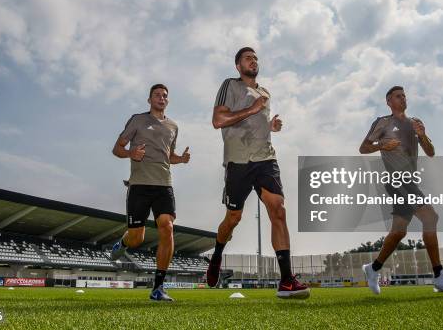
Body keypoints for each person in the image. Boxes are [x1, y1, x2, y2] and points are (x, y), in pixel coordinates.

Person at [205, 47, 310, 299]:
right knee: (233, 219)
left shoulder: (265, 92)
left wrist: (269, 126)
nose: (253, 61)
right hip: (238, 161)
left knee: (279, 210)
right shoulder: (229, 85)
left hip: (265, 158)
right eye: (247, 58)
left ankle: (286, 280)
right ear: (238, 65)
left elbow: (257, 125)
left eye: (255, 58)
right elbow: (218, 120)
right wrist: (253, 109)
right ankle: (217, 254)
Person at [359, 85, 443, 293]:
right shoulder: (383, 122)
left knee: (399, 232)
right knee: (430, 217)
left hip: (410, 180)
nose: (403, 98)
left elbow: (431, 152)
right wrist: (382, 146)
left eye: (404, 95)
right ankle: (439, 275)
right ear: (389, 101)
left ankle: (373, 268)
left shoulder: (414, 123)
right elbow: (363, 148)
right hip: (396, 179)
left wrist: (423, 135)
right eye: (398, 96)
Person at [110, 83, 191, 301]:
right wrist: (130, 153)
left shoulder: (173, 126)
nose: (161, 98)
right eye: (157, 95)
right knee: (137, 238)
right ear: (149, 99)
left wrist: (180, 160)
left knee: (168, 227)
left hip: (164, 185)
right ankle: (124, 242)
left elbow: (168, 156)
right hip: (139, 185)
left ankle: (158, 288)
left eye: (165, 95)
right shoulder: (137, 120)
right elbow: (117, 148)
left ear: (168, 100)